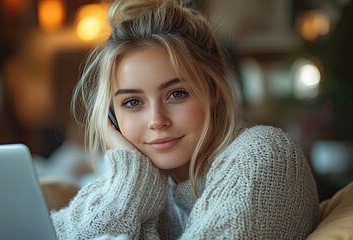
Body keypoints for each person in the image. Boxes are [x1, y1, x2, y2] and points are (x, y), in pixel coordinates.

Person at [51, 0, 320, 239]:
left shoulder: (264, 155)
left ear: (213, 90)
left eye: (177, 94)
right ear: (112, 117)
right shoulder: (138, 183)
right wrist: (128, 186)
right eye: (132, 102)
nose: (157, 120)